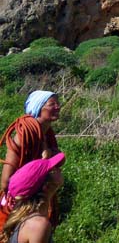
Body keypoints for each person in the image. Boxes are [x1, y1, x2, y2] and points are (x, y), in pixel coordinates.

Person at [0, 92, 61, 230]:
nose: (58, 107)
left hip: (36, 201)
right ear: (38, 108)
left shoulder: (47, 134)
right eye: (52, 104)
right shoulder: (24, 134)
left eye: (58, 103)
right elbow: (5, 181)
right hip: (20, 204)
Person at [0, 152, 65, 243]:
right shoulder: (39, 226)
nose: (59, 169)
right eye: (53, 169)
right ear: (46, 186)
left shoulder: (26, 218)